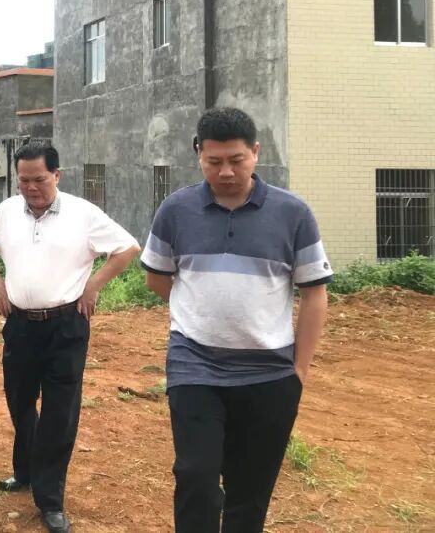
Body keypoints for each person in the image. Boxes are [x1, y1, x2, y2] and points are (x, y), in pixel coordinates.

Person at [142, 107, 332, 533]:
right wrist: (200, 308)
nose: (225, 171)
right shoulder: (176, 210)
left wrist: (299, 370)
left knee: (250, 490)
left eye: (236, 160)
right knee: (195, 475)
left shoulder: (292, 213)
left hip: (269, 374)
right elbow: (157, 278)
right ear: (198, 154)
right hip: (195, 366)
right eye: (214, 161)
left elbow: (314, 294)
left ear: (255, 153)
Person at [0, 140, 140, 533]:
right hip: (19, 325)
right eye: (23, 180)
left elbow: (127, 248)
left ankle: (50, 499)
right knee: (19, 400)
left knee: (59, 413)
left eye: (39, 179)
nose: (31, 188)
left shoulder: (83, 214)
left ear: (57, 175)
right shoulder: (7, 211)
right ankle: (25, 472)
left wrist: (94, 285)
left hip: (65, 326)